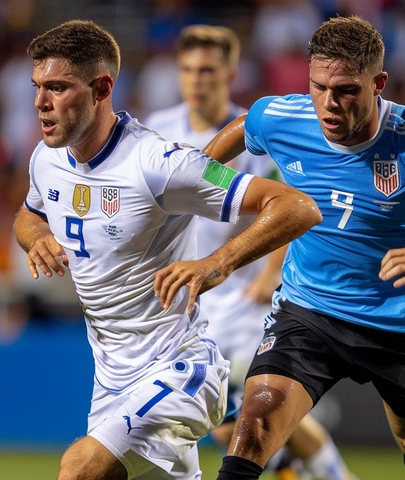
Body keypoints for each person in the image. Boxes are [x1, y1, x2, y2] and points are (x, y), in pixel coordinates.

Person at [199, 15, 405, 480]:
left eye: (346, 90)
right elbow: (246, 127)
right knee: (254, 424)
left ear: (378, 83)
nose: (328, 103)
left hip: (400, 321)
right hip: (308, 312)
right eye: (318, 86)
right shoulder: (282, 118)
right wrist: (196, 179)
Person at [12, 20, 321, 480]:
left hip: (180, 369)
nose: (40, 102)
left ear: (102, 87)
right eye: (37, 86)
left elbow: (297, 206)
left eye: (57, 87)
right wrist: (38, 239)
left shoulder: (159, 163)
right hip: (110, 380)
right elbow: (28, 214)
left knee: (78, 471)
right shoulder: (47, 157)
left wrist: (217, 263)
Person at [145, 24, 355, 480]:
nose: (196, 80)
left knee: (232, 416)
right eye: (188, 70)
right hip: (183, 298)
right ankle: (323, 473)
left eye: (207, 70)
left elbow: (297, 203)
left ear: (230, 72)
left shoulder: (259, 131)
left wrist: (269, 274)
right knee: (250, 417)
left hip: (242, 298)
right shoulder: (157, 130)